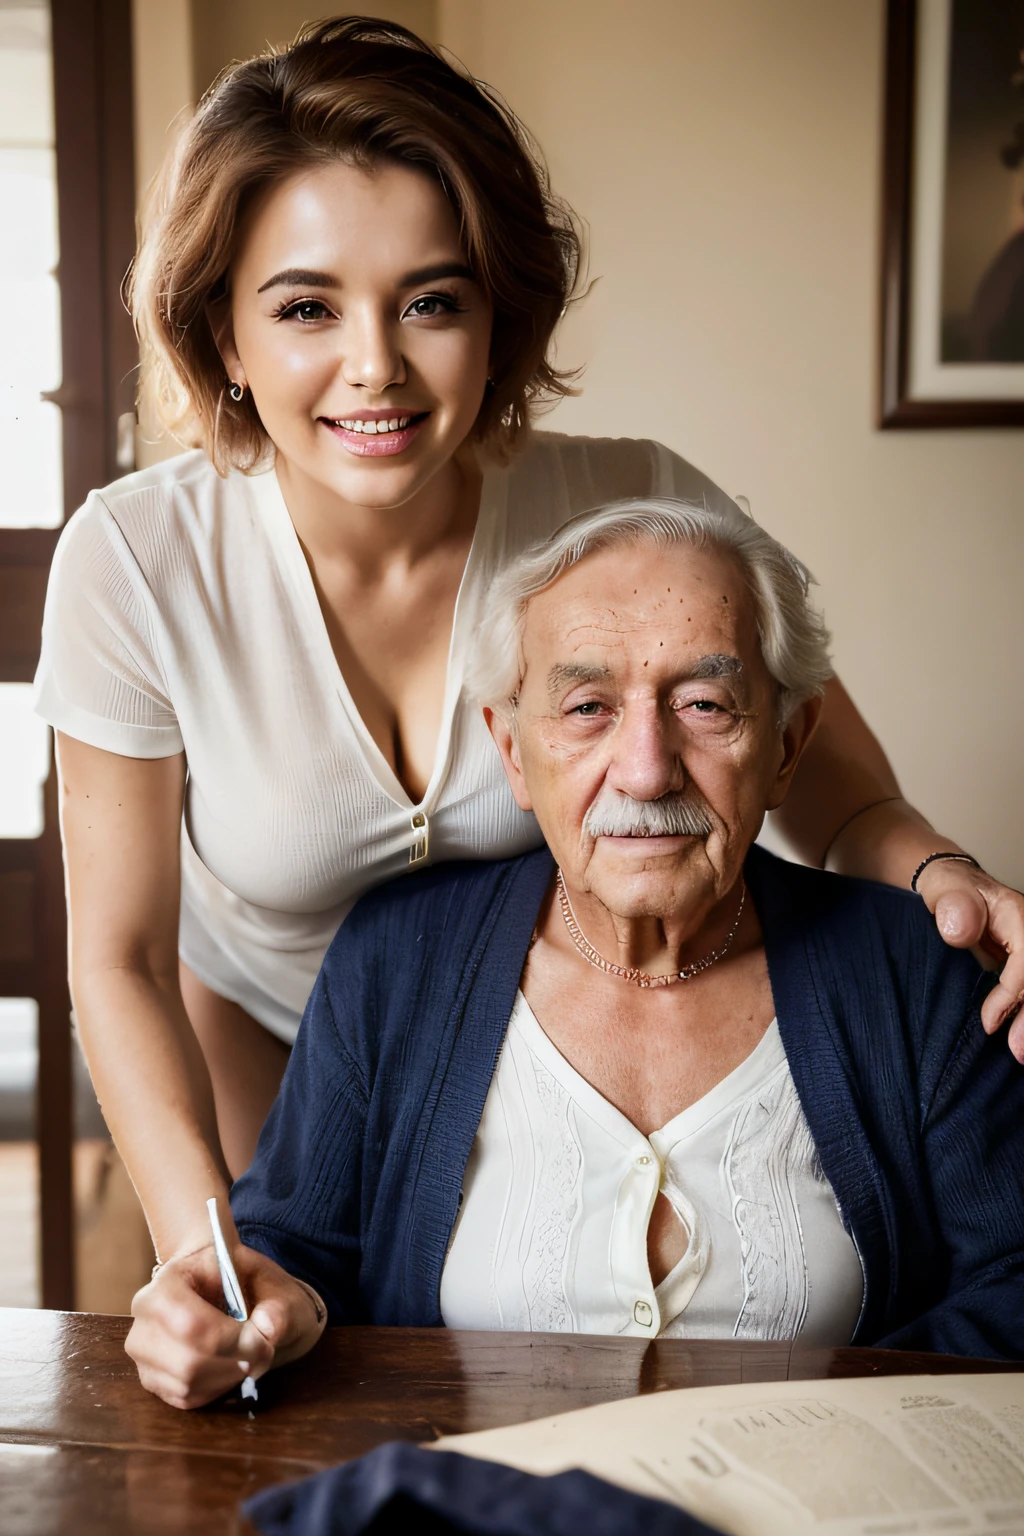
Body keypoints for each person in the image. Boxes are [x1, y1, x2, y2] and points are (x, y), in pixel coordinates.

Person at [34, 19, 1024, 1291]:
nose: (375, 365)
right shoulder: (136, 561)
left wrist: (960, 887)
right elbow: (118, 959)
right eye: (305, 308)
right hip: (255, 1047)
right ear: (225, 335)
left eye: (431, 301)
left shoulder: (628, 516)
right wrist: (199, 1252)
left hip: (518, 1036)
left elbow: (832, 790)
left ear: (497, 315)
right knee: (271, 1366)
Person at [125, 499, 1024, 1408]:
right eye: (587, 707)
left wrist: (822, 1442)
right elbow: (294, 1253)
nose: (645, 768)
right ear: (513, 751)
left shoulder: (916, 973)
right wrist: (260, 1311)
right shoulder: (396, 957)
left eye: (705, 705)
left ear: (787, 745)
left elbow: (1014, 1283)